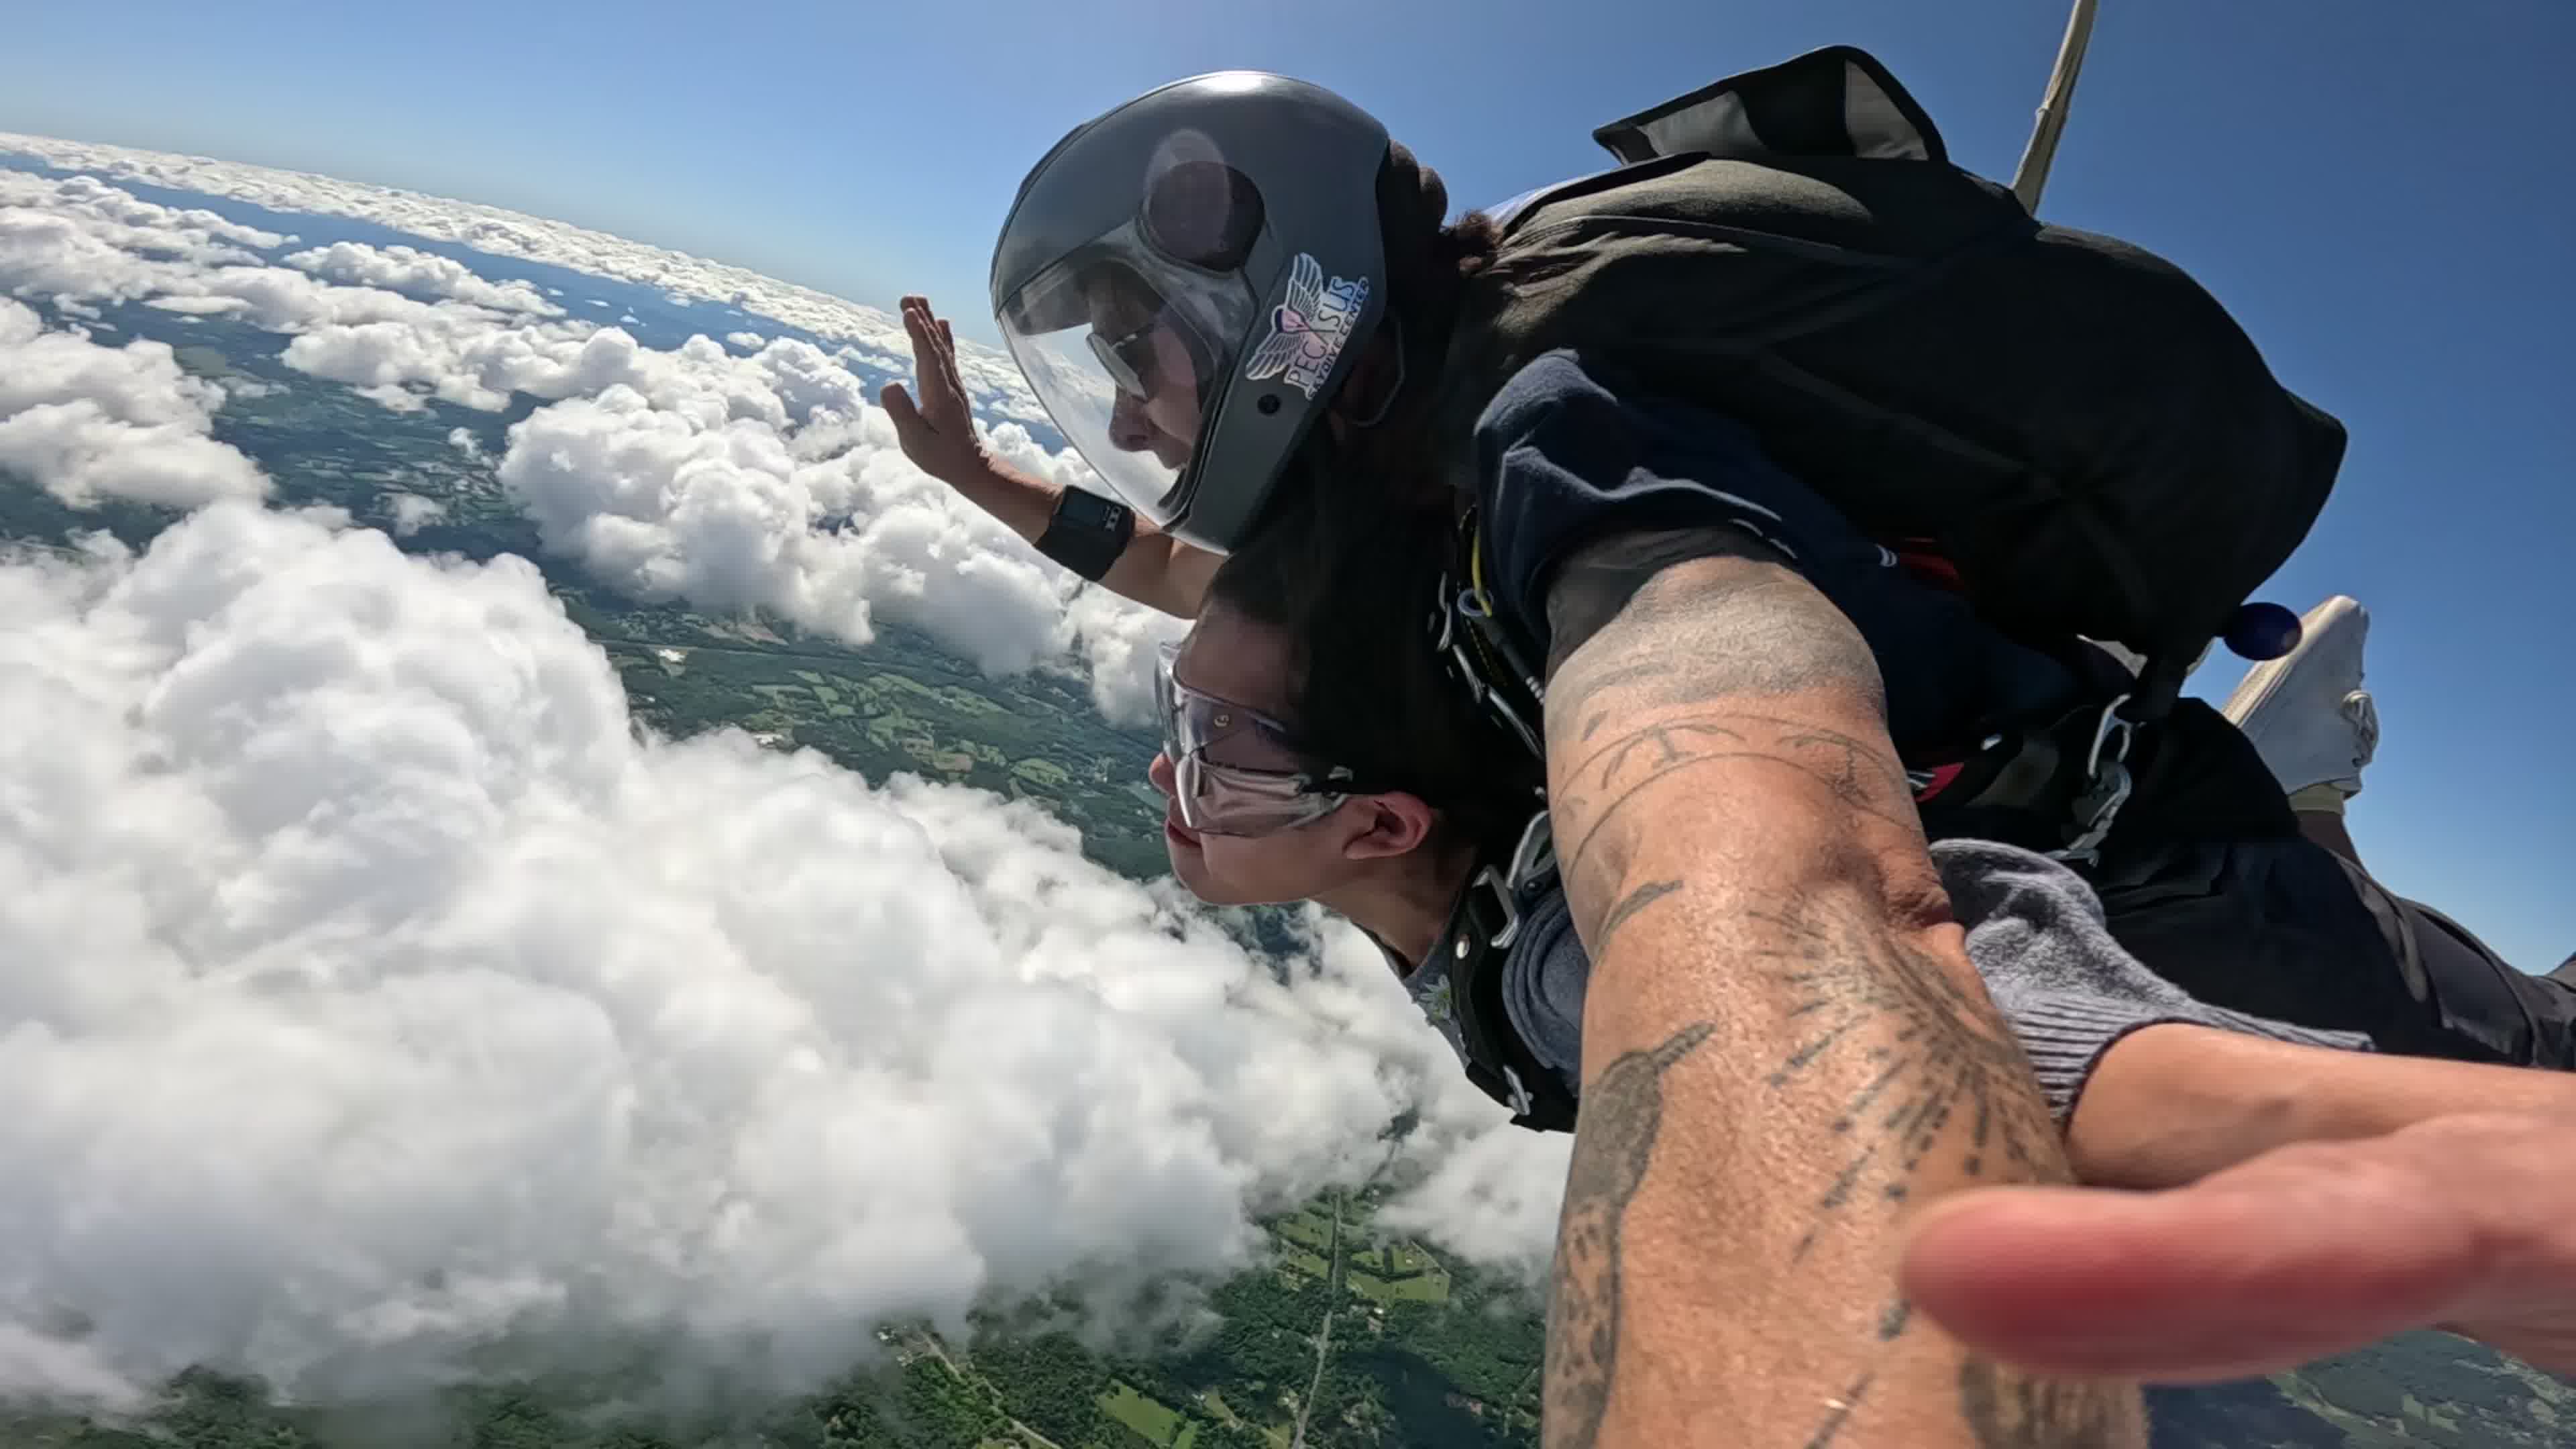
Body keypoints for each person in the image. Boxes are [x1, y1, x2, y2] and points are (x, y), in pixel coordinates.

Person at [959, 48, 2569, 1446]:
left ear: (1274, 301)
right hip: (2021, 808)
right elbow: (1207, 588)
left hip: (2157, 884)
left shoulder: (1565, 446)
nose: (1128, 419)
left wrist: (1861, 1190)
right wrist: (983, 483)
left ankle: (2293, 803)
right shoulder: (1390, 498)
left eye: (1135, 357)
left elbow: (1745, 778)